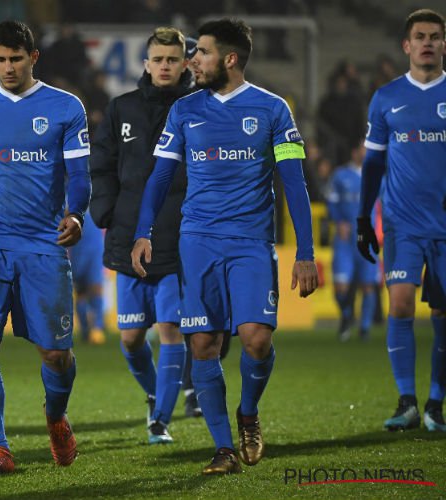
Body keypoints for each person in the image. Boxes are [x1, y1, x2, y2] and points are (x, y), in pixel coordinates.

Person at [132, 18, 318, 474]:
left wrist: (306, 252)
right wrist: (143, 231)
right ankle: (223, 448)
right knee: (204, 345)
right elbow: (159, 176)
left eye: (203, 53)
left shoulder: (273, 110)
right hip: (197, 242)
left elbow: (293, 183)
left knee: (256, 340)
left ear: (230, 59)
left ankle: (248, 414)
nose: (191, 60)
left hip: (252, 242)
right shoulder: (185, 110)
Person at [0, 20, 91, 474]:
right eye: (0, 59)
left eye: (16, 58)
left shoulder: (65, 107)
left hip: (43, 243)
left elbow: (81, 175)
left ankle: (55, 418)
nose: (8, 67)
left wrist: (76, 213)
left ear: (34, 57)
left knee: (56, 353)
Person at [90, 27, 200, 447]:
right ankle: (157, 392)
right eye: (159, 59)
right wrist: (105, 210)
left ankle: (160, 420)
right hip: (127, 236)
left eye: (173, 59)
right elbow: (101, 164)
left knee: (171, 330)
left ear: (185, 64)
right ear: (146, 63)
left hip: (177, 239)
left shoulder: (197, 109)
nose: (165, 66)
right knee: (132, 338)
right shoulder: (122, 109)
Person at [357, 8, 446, 433]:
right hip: (401, 223)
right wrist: (362, 216)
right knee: (402, 303)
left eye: (435, 36)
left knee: (444, 313)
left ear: (444, 44)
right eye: (420, 36)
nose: (427, 42)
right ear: (406, 46)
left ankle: (436, 404)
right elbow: (373, 165)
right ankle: (407, 400)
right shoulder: (387, 97)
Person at [326, 143, 381, 342]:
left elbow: (387, 203)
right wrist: (338, 220)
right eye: (363, 149)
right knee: (340, 286)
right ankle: (347, 314)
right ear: (355, 151)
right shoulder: (341, 175)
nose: (366, 153)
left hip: (367, 239)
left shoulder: (377, 175)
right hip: (345, 240)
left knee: (368, 285)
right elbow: (331, 201)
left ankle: (364, 328)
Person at [68, 215, 106, 345]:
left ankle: (97, 328)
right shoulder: (68, 199)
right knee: (81, 292)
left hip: (94, 248)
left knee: (96, 289)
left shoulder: (94, 200)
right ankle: (86, 329)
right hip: (77, 249)